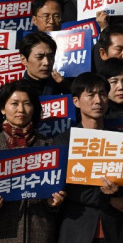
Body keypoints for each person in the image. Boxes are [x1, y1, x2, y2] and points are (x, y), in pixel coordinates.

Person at [55, 72, 123, 243]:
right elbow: (67, 187)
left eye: (103, 94)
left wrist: (117, 191)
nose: (98, 100)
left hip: (115, 229)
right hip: (78, 228)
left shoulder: (122, 140)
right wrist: (107, 200)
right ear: (76, 101)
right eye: (90, 95)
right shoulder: (64, 140)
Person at [0, 82, 66, 242]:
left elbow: (58, 198)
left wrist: (54, 204)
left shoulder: (49, 146)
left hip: (40, 233)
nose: (21, 110)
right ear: (2, 108)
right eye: (14, 103)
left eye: (27, 103)